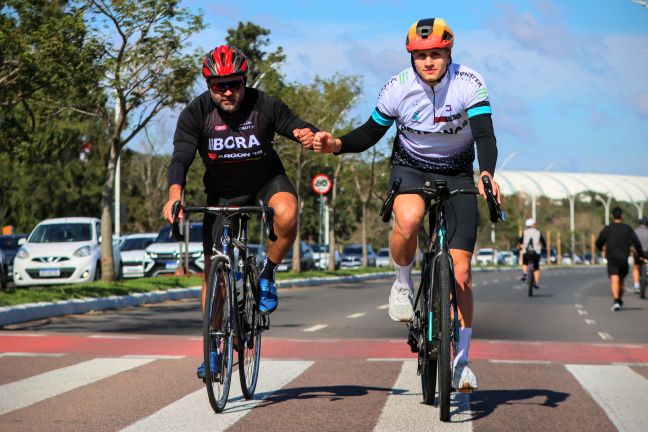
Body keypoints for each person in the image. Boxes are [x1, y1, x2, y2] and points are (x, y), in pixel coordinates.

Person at [306, 18, 501, 393]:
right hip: (411, 169)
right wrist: (336, 145)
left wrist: (487, 173)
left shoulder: (469, 83)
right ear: (412, 57)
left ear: (449, 54)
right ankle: (401, 283)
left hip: (459, 173)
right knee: (409, 219)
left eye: (436, 54)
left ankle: (461, 361)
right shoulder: (397, 87)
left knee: (460, 273)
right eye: (421, 55)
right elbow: (369, 133)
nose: (429, 62)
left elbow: (484, 135)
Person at [162, 45, 317, 378]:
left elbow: (294, 124)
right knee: (213, 274)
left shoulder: (263, 104)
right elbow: (181, 158)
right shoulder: (195, 113)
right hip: (221, 195)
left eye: (234, 83)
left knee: (288, 213)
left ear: (244, 81)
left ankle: (267, 274)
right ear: (208, 86)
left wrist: (307, 133)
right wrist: (174, 194)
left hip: (266, 182)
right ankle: (213, 348)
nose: (228, 91)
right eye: (219, 86)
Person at [595, 207, 645, 311]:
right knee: (619, 280)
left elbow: (599, 242)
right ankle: (617, 300)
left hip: (612, 258)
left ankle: (617, 300)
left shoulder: (607, 229)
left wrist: (600, 248)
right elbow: (636, 242)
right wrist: (641, 254)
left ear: (612, 216)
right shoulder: (627, 228)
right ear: (622, 216)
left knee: (615, 280)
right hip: (623, 259)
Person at [518, 218, 546, 289]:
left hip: (526, 252)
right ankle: (536, 282)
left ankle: (525, 273)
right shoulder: (538, 232)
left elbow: (520, 241)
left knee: (525, 262)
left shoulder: (525, 232)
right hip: (536, 252)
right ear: (533, 225)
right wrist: (544, 247)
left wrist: (520, 247)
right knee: (536, 267)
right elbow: (542, 242)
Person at [632, 217, 648, 292]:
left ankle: (636, 285)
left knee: (636, 267)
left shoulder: (635, 231)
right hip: (647, 253)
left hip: (638, 253)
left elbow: (632, 243)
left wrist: (632, 251)